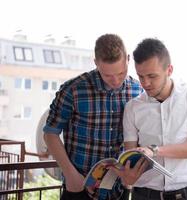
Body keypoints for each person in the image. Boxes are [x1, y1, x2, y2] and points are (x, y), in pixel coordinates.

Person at [43, 34, 143, 200]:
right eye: (107, 75)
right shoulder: (73, 90)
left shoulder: (138, 91)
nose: (115, 81)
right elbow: (50, 133)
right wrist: (70, 175)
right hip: (79, 186)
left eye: (121, 73)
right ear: (96, 62)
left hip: (120, 188)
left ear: (128, 59)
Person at [112, 38, 187, 200]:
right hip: (144, 195)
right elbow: (130, 154)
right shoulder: (132, 107)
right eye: (141, 76)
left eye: (152, 76)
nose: (145, 83)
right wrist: (128, 176)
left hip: (186, 194)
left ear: (169, 70)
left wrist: (155, 150)